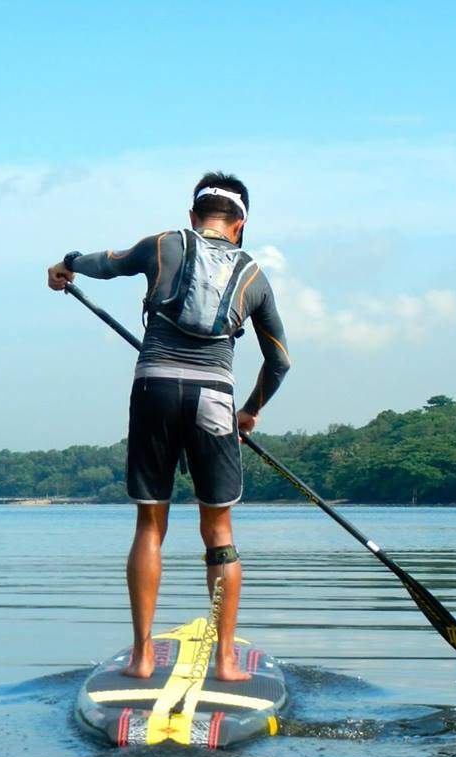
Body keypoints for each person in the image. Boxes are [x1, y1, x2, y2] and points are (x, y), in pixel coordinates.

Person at [47, 171, 290, 681]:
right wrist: (249, 411)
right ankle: (224, 661)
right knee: (219, 532)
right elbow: (280, 361)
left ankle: (140, 657)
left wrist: (67, 266)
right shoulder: (254, 277)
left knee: (150, 524)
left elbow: (106, 264)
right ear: (240, 224)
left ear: (193, 216)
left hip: (155, 386)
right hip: (214, 400)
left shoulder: (163, 244)